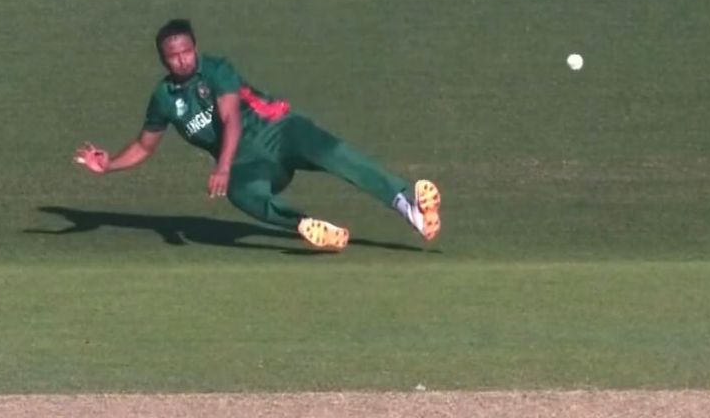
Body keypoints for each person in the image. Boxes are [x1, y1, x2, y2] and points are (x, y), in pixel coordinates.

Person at [73, 18, 439, 251]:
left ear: (195, 48)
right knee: (240, 193)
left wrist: (222, 166)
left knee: (336, 154)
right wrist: (109, 166)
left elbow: (231, 118)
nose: (182, 59)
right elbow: (143, 145)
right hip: (250, 162)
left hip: (280, 130)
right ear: (163, 60)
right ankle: (309, 226)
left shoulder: (217, 69)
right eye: (174, 56)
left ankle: (412, 208)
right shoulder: (164, 98)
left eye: (187, 51)